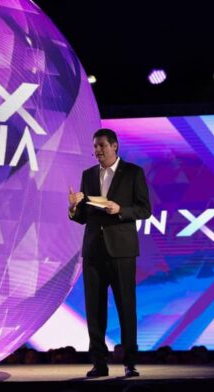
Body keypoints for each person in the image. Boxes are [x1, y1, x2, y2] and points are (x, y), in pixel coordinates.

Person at [68, 128, 151, 377]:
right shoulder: (88, 175)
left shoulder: (133, 172)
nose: (97, 150)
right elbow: (84, 216)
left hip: (122, 250)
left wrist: (121, 210)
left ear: (114, 146)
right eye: (95, 146)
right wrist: (73, 208)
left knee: (126, 306)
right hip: (94, 250)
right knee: (94, 309)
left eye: (102, 145)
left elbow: (144, 209)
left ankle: (130, 362)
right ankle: (99, 363)